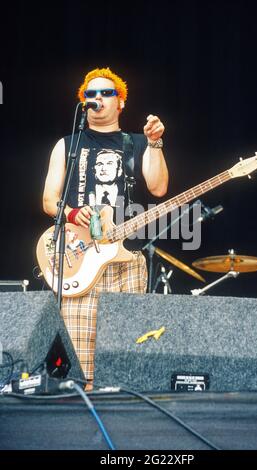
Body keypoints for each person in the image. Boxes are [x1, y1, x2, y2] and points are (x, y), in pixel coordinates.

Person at [42, 67, 169, 388]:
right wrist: (71, 214)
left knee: (126, 348)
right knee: (79, 352)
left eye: (106, 93)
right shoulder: (67, 144)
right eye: (90, 94)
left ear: (120, 102)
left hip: (126, 259)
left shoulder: (137, 143)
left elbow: (158, 189)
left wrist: (155, 144)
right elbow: (49, 200)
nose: (97, 98)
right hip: (80, 258)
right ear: (83, 102)